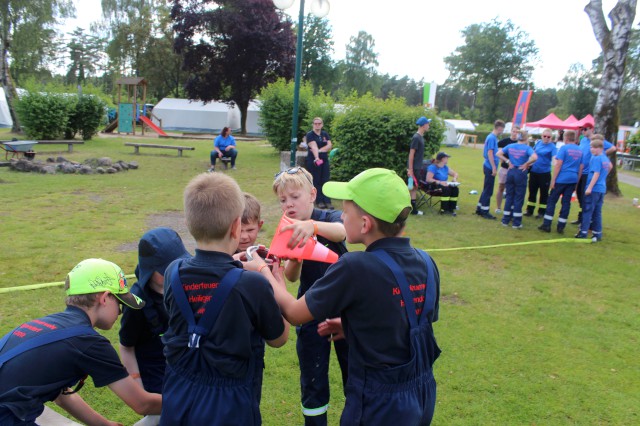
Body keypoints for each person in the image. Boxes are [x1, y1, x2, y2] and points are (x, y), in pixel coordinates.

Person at [249, 168, 441, 425]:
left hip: (376, 403)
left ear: (365, 224)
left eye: (346, 212)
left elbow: (294, 313)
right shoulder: (427, 262)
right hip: (421, 393)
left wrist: (263, 270)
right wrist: (350, 326)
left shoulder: (354, 265)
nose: (341, 215)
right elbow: (404, 321)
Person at [160, 172, 289, 425]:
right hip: (231, 400)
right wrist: (276, 279)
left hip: (179, 390)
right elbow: (279, 338)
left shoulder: (172, 271)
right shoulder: (252, 283)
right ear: (235, 226)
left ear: (188, 223)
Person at [0, 258, 162, 425]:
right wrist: (188, 402)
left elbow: (61, 395)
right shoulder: (88, 342)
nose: (120, 311)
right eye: (120, 302)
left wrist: (103, 424)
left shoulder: (44, 325)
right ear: (105, 298)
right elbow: (142, 404)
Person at [272, 166, 348, 426]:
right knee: (313, 380)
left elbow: (343, 232)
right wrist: (294, 258)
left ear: (312, 194)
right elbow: (293, 277)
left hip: (345, 312)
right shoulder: (287, 229)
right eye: (283, 200)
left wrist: (312, 226)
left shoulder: (330, 216)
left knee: (355, 374)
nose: (289, 204)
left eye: (294, 197)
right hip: (310, 311)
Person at [119, 228, 191, 426]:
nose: (176, 270)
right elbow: (126, 346)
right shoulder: (136, 303)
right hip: (156, 375)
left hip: (184, 367)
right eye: (167, 268)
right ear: (150, 270)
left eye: (179, 264)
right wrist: (137, 386)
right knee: (164, 417)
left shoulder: (184, 284)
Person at [538, 130, 583, 234]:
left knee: (552, 200)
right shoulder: (580, 151)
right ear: (575, 139)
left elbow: (558, 164)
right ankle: (561, 226)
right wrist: (577, 181)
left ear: (566, 138)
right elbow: (581, 167)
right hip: (573, 179)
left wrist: (553, 180)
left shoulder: (564, 148)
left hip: (561, 179)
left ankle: (547, 224)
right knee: (566, 202)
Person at [572, 124, 615, 225]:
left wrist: (603, 153)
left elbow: (613, 148)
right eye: (582, 129)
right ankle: (581, 217)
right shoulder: (583, 140)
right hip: (581, 171)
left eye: (585, 129)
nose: (583, 131)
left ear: (591, 129)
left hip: (590, 172)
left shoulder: (597, 140)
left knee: (586, 196)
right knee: (579, 194)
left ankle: (586, 220)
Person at [497, 130, 538, 229]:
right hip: (520, 172)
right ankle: (516, 222)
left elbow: (498, 153)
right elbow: (535, 157)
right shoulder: (527, 148)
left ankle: (505, 220)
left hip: (511, 171)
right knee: (519, 197)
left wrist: (507, 161)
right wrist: (527, 164)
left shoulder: (511, 146)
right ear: (526, 138)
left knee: (509, 195)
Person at [576, 136, 612, 241]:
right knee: (597, 211)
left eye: (593, 147)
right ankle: (597, 234)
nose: (591, 149)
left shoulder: (596, 158)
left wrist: (589, 188)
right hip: (601, 188)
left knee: (587, 210)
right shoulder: (605, 158)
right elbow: (610, 167)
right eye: (590, 147)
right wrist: (603, 178)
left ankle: (583, 232)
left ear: (599, 148)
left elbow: (596, 174)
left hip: (594, 189)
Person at [476, 120, 505, 219]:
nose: (502, 131)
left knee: (486, 189)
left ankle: (479, 208)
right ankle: (485, 211)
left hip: (487, 165)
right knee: (488, 190)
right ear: (499, 128)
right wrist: (493, 167)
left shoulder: (491, 137)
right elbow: (490, 153)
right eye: (502, 129)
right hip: (489, 166)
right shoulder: (492, 138)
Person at [525, 128, 557, 218]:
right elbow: (533, 154)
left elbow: (554, 158)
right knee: (532, 191)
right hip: (534, 171)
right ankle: (529, 210)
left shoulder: (552, 147)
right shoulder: (538, 143)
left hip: (544, 173)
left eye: (548, 137)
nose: (546, 138)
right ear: (541, 136)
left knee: (544, 193)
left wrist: (556, 164)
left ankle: (541, 212)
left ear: (551, 137)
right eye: (544, 136)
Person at [305, 117, 333, 209]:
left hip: (324, 160)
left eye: (319, 123)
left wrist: (320, 151)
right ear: (313, 124)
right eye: (315, 123)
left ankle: (327, 201)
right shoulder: (310, 135)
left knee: (325, 179)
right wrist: (317, 157)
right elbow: (313, 147)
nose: (317, 125)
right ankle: (319, 201)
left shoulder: (325, 134)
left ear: (322, 124)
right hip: (314, 161)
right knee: (316, 180)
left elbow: (329, 145)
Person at [408, 116, 431, 215]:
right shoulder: (416, 137)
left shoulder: (420, 137)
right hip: (414, 168)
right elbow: (411, 153)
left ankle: (413, 210)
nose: (429, 126)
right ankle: (410, 208)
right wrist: (410, 169)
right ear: (424, 125)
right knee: (411, 187)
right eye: (428, 124)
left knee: (413, 188)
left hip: (417, 167)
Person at [425, 152, 459, 216]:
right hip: (434, 185)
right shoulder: (433, 167)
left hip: (444, 185)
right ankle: (444, 210)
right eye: (447, 158)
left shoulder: (445, 167)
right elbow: (428, 179)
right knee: (446, 189)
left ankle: (451, 208)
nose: (448, 159)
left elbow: (455, 174)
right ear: (443, 159)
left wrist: (454, 178)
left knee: (455, 188)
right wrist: (440, 182)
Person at [496, 125, 519, 214]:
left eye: (517, 132)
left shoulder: (519, 143)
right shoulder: (505, 141)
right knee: (501, 187)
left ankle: (510, 208)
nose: (515, 134)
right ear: (511, 132)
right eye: (513, 131)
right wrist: (505, 160)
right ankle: (498, 207)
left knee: (512, 189)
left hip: (514, 169)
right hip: (504, 168)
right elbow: (497, 150)